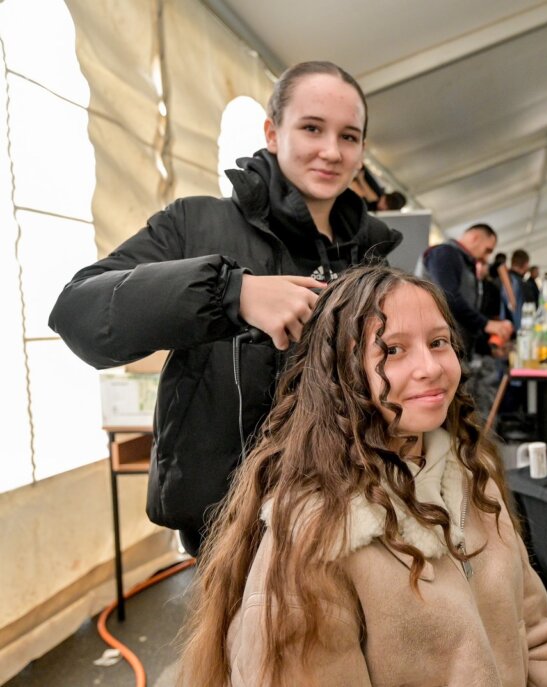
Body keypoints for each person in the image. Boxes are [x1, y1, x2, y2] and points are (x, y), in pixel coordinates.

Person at [177, 266, 547, 686]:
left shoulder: (472, 476)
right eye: (393, 350)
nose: (430, 367)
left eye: (438, 342)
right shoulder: (316, 537)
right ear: (341, 372)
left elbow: (537, 636)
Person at [48, 61, 401, 556]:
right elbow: (79, 311)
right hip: (233, 529)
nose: (330, 151)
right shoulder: (196, 225)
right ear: (272, 133)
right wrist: (233, 293)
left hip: (354, 518)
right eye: (312, 128)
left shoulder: (376, 256)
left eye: (349, 136)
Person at [421, 223, 514, 413]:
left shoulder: (462, 262)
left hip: (454, 347)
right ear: (474, 238)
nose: (486, 257)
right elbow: (447, 297)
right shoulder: (445, 254)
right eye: (487, 249)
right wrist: (487, 324)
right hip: (437, 349)